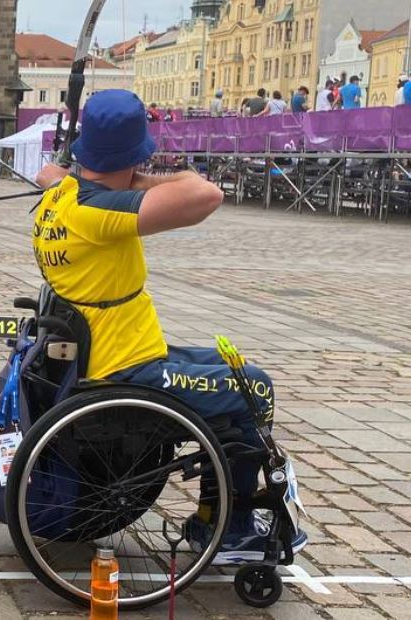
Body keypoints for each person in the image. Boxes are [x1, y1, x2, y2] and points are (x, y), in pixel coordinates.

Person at [33, 90, 308, 564]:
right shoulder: (98, 213)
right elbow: (206, 193)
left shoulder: (60, 195)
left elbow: (48, 172)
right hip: (127, 368)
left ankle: (215, 509)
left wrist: (114, 174)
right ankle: (228, 527)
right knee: (254, 389)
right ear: (134, 154)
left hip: (118, 351)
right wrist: (141, 177)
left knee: (232, 365)